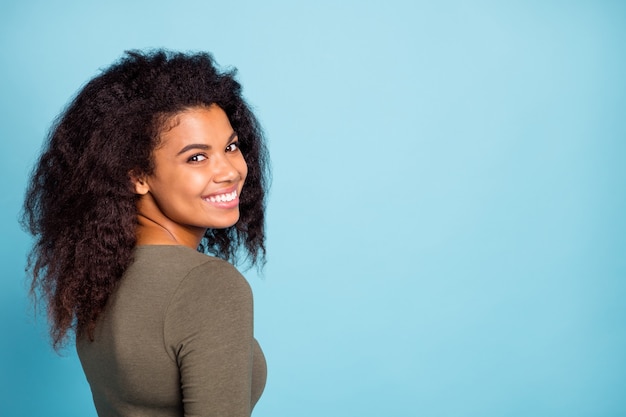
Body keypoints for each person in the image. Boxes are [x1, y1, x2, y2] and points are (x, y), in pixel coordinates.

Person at [21, 49, 269, 416]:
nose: (230, 171)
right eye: (196, 157)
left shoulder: (100, 275)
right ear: (137, 176)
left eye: (230, 147)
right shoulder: (208, 284)